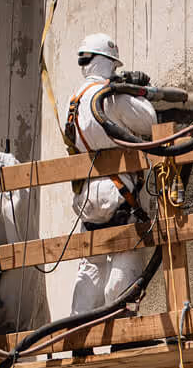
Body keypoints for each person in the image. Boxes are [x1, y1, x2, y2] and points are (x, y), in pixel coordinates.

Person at [63, 32, 159, 318]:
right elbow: (149, 120)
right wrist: (132, 90)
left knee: (91, 266)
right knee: (125, 257)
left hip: (87, 198)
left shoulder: (75, 99)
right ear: (106, 63)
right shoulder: (111, 97)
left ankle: (79, 337)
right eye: (115, 67)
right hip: (120, 195)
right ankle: (122, 330)